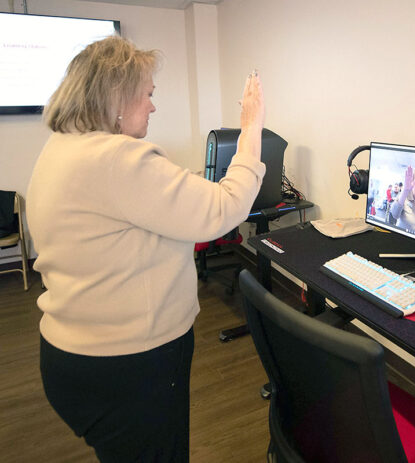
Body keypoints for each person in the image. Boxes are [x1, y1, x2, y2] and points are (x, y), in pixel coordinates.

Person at [26, 36, 265, 462]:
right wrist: (251, 128)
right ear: (118, 96)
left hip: (74, 358)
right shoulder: (117, 157)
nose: (153, 106)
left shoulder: (63, 147)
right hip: (128, 367)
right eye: (149, 95)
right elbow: (226, 208)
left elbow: (129, 211)